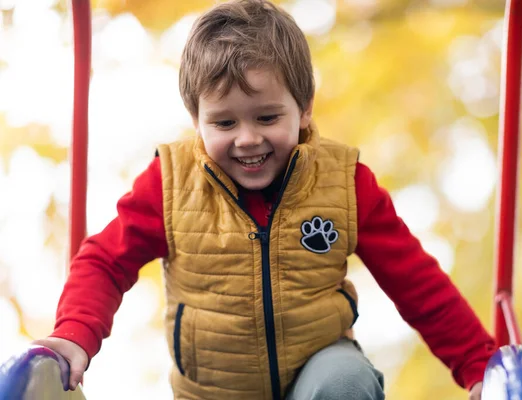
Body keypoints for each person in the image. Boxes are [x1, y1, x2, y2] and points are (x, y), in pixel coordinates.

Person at [34, 0, 497, 398]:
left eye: (267, 116)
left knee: (347, 382)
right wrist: (75, 334)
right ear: (196, 120)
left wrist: (479, 362)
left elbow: (416, 281)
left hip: (317, 371)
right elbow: (105, 261)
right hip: (213, 390)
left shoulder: (342, 183)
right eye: (225, 123)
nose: (248, 139)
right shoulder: (171, 184)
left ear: (305, 107)